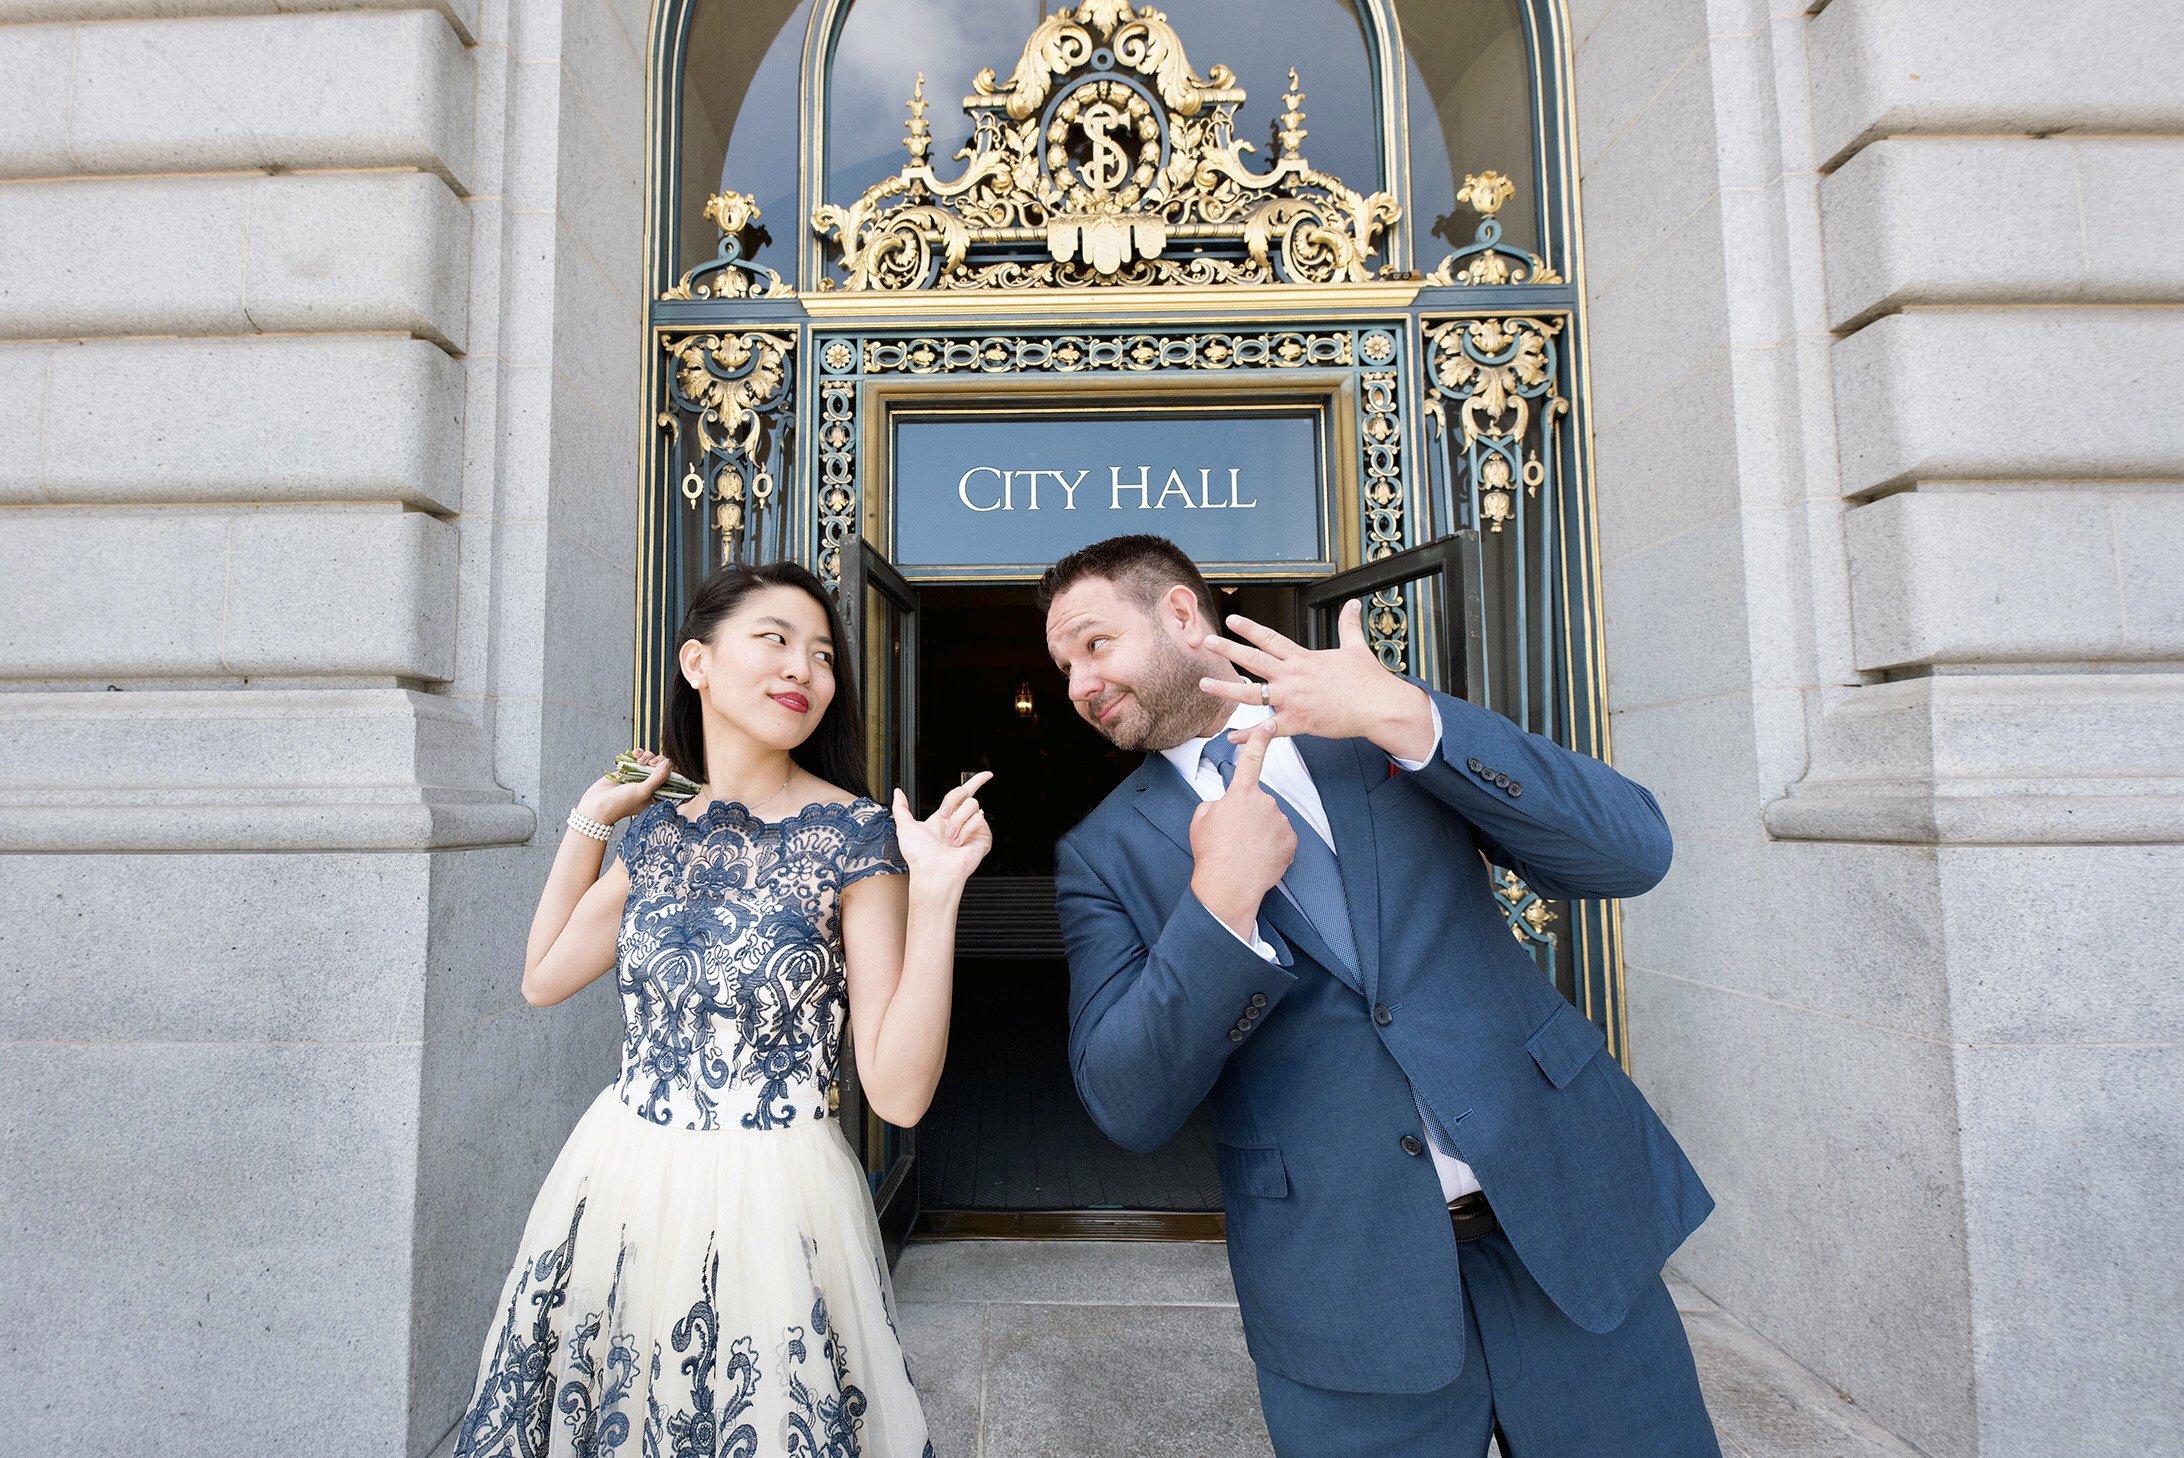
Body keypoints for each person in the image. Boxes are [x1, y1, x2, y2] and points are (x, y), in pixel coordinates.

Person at [1041, 535, 1718, 1457]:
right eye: (1063, 666)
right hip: (1343, 1289)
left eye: (1092, 645)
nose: (1077, 684)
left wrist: (1407, 712)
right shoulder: (1100, 853)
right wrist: (1218, 904)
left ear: (1178, 614)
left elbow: (1633, 853)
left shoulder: (1375, 734)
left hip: (1567, 1229)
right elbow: (1126, 1102)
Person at [449, 560, 989, 1458]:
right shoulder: (660, 831)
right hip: (620, 1175)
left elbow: (896, 1095)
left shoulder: (853, 836)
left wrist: (934, 895)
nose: (803, 671)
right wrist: (592, 819)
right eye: (774, 641)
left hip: (775, 1197)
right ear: (697, 661)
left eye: (821, 655)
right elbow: (542, 976)